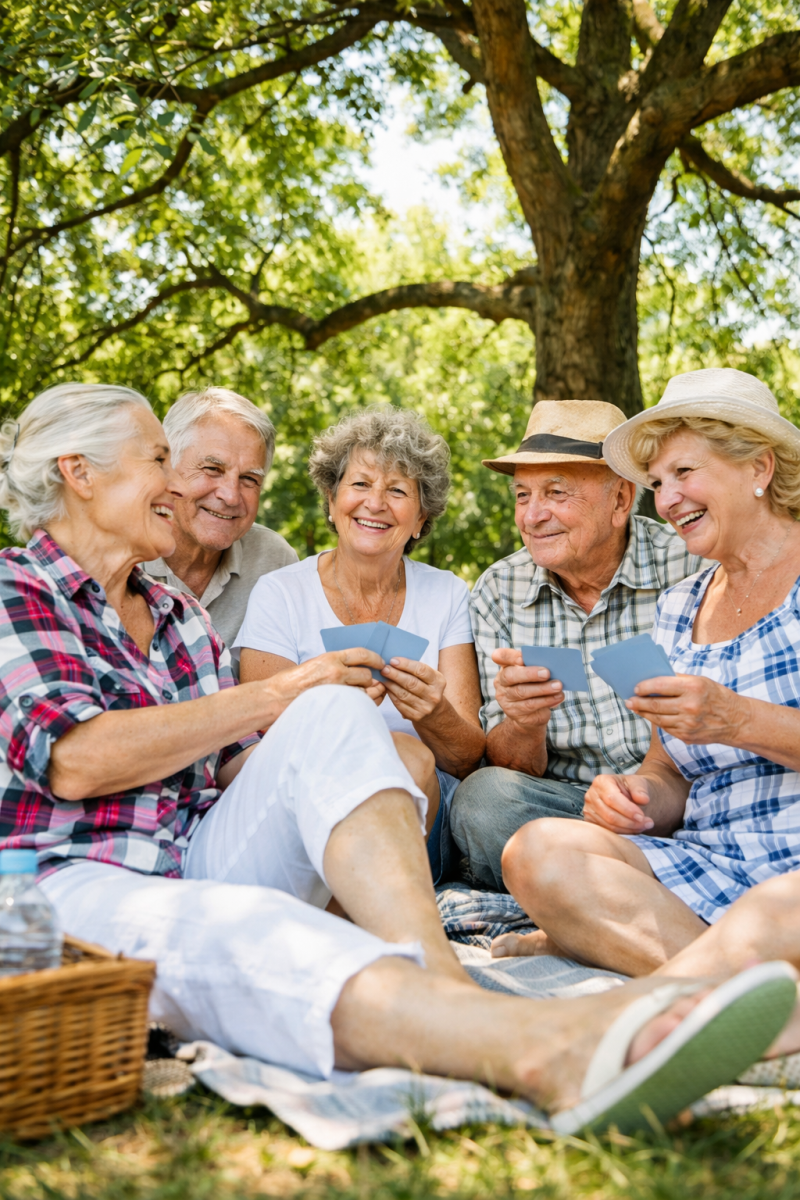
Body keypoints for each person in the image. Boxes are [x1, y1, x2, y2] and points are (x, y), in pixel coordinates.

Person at [0, 381, 793, 1136]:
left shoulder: (172, 611)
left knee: (342, 714)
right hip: (74, 878)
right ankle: (538, 1045)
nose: (180, 483)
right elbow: (75, 762)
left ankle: (442, 982)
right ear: (78, 474)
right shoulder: (15, 591)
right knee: (247, 919)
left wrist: (328, 723)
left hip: (196, 849)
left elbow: (238, 769)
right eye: (159, 460)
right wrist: (289, 696)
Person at [494, 369, 800, 977]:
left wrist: (739, 720)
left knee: (776, 913)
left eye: (685, 472)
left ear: (759, 469)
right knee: (535, 851)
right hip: (707, 860)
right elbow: (668, 770)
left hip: (790, 882)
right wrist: (637, 797)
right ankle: (737, 984)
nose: (666, 500)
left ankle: (666, 966)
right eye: (658, 483)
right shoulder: (679, 604)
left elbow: (734, 724)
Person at [450, 400, 702, 892]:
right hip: (570, 807)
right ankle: (628, 879)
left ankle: (580, 888)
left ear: (620, 501)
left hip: (682, 795)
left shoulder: (688, 566)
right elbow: (507, 765)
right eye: (522, 495)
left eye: (556, 492)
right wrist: (525, 721)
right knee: (483, 800)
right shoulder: (500, 589)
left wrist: (648, 795)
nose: (533, 515)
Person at [235, 406, 485, 884]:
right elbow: (259, 735)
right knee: (388, 749)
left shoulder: (447, 593)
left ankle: (368, 906)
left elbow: (467, 758)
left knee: (407, 755)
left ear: (421, 519)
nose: (376, 503)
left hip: (423, 814)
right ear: (331, 500)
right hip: (313, 800)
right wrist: (331, 712)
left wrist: (432, 713)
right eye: (360, 484)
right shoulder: (280, 591)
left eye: (397, 491)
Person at [144, 386, 296, 654]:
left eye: (249, 479)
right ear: (167, 467)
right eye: (213, 469)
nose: (231, 496)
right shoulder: (121, 554)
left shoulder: (273, 561)